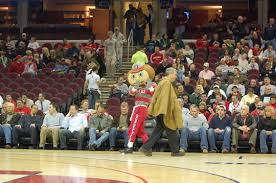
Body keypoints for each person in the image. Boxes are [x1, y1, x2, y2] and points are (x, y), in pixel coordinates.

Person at [139, 68, 184, 157]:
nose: (176, 76)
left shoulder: (163, 82)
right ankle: (175, 151)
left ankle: (145, 148)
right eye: (175, 74)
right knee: (172, 130)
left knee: (158, 131)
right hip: (164, 111)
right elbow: (164, 98)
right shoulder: (166, 83)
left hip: (161, 111)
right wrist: (164, 112)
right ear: (170, 74)